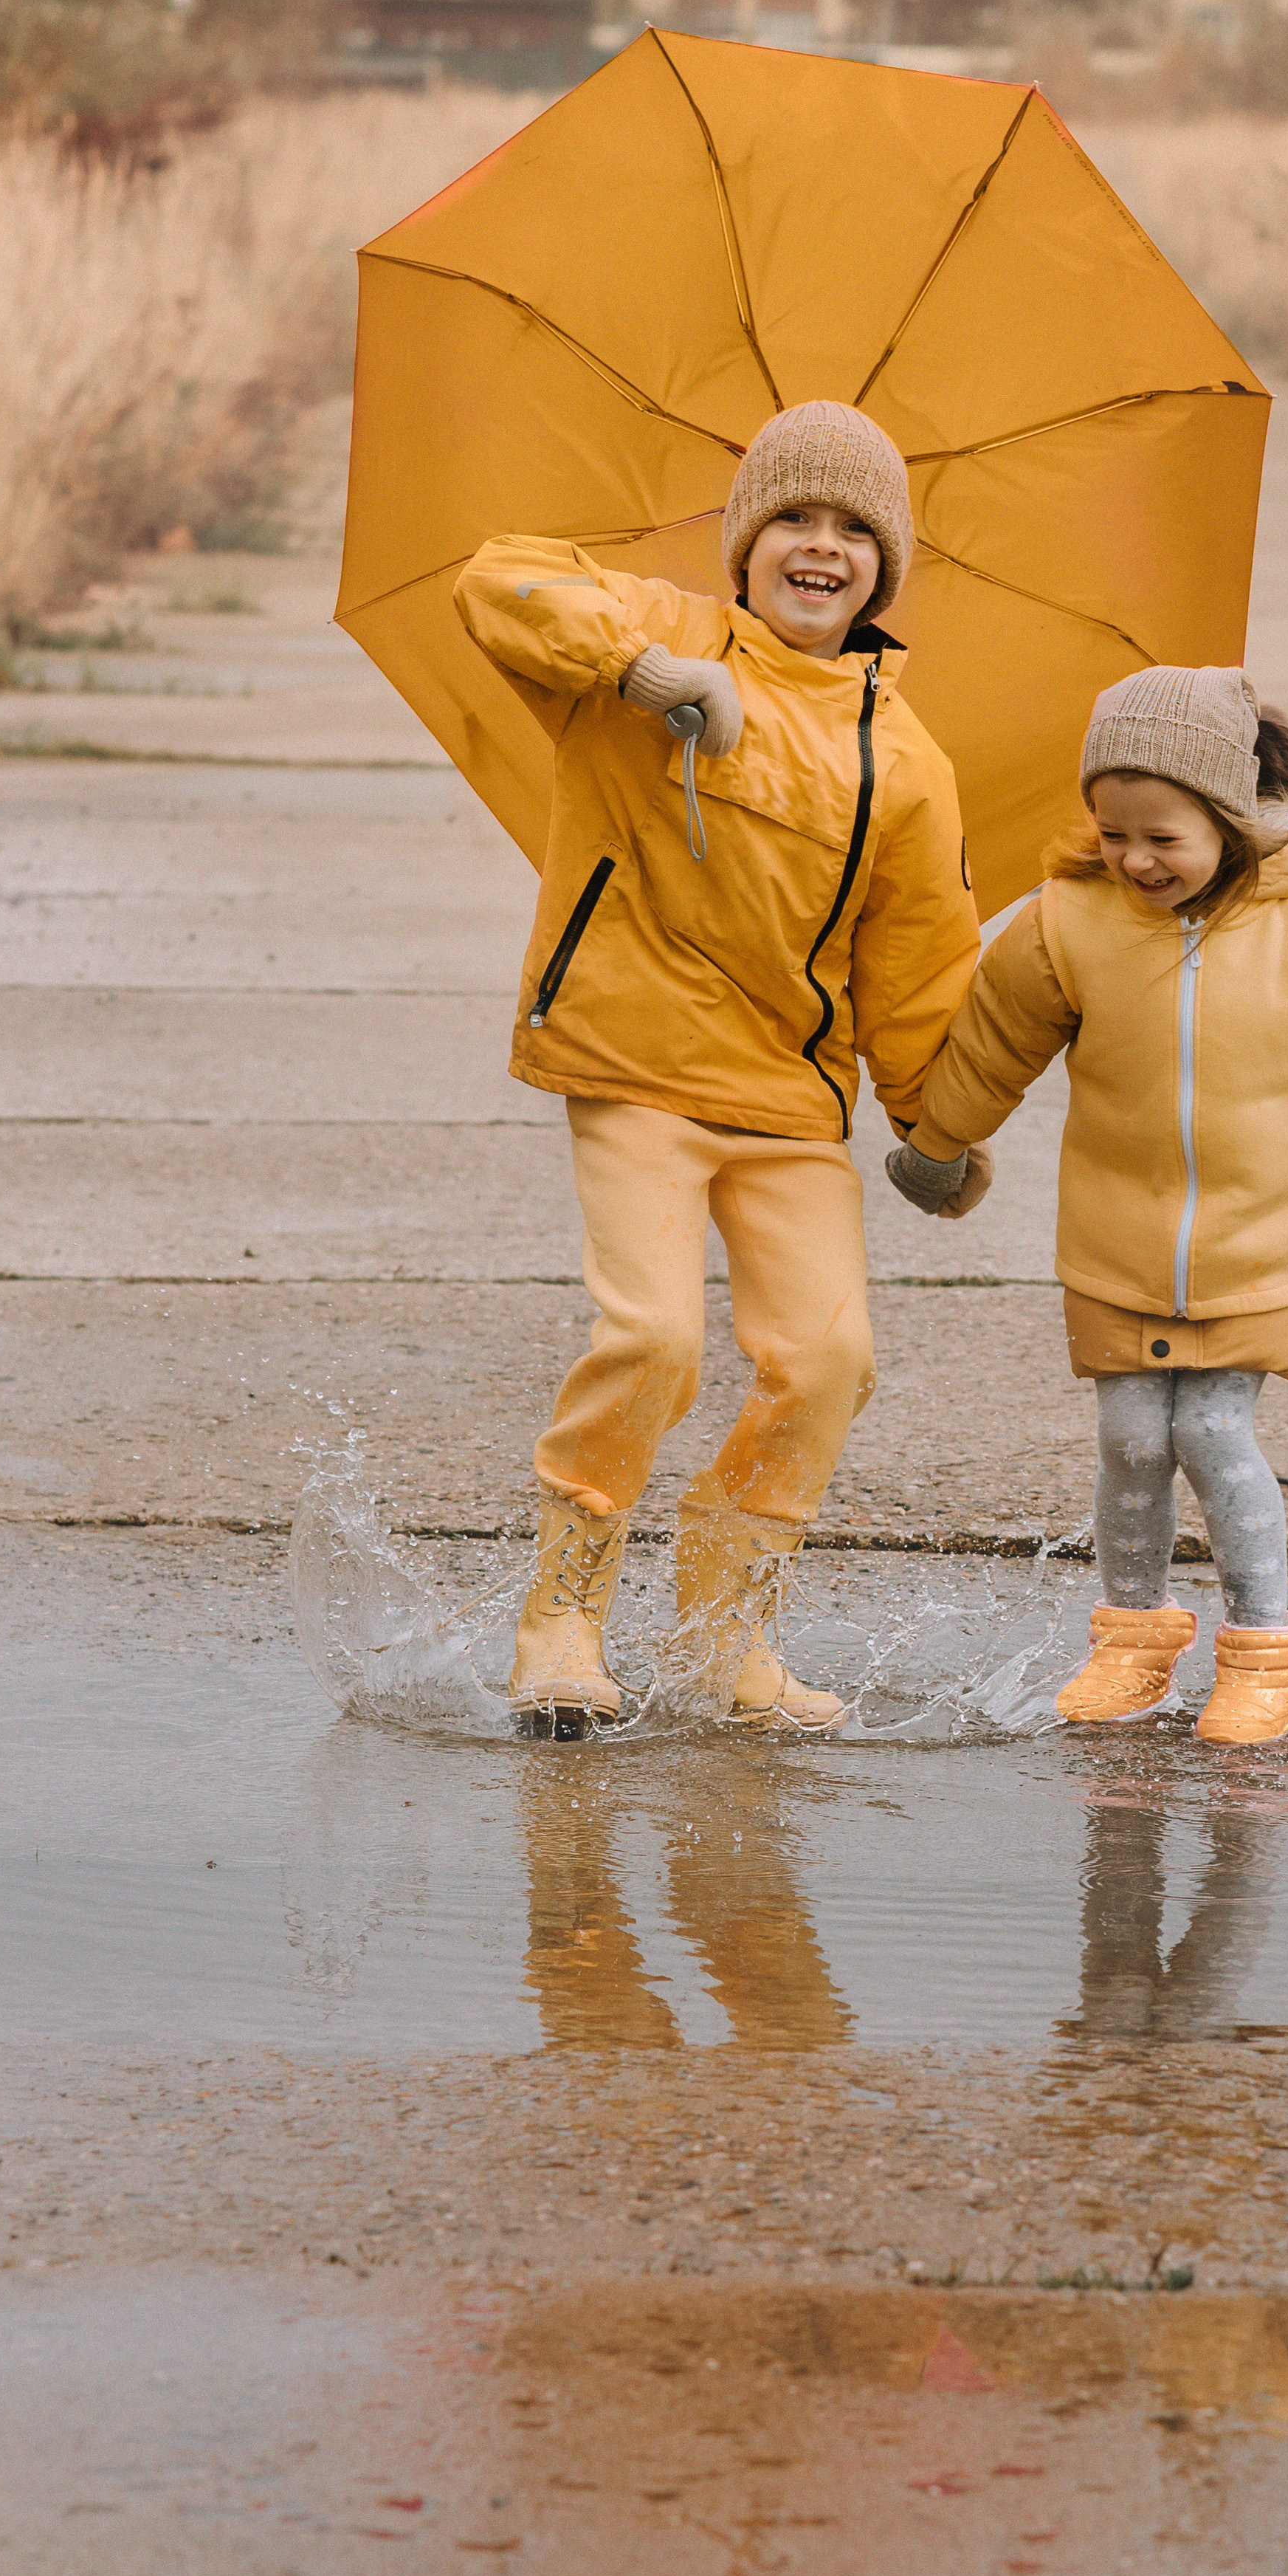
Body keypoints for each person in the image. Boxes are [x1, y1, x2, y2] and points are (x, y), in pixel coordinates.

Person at [452, 400, 982, 1737]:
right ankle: (564, 1620)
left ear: (886, 568)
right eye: (792, 520)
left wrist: (939, 1121)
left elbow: (917, 972)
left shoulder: (907, 763)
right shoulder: (661, 632)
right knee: (652, 1336)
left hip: (788, 1104)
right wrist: (637, 671)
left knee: (828, 1357)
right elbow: (495, 581)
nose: (820, 548)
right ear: (743, 545)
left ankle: (722, 1637)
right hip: (631, 1063)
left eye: (855, 530)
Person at [886, 665, 1288, 1746]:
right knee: (1132, 1439)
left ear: (1229, 820)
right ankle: (1132, 1644)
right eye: (1113, 831)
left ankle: (1267, 1657)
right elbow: (997, 1039)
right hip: (1115, 1242)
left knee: (1215, 1435)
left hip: (1262, 1243)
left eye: (1163, 838)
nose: (1134, 859)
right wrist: (939, 1140)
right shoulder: (1068, 926)